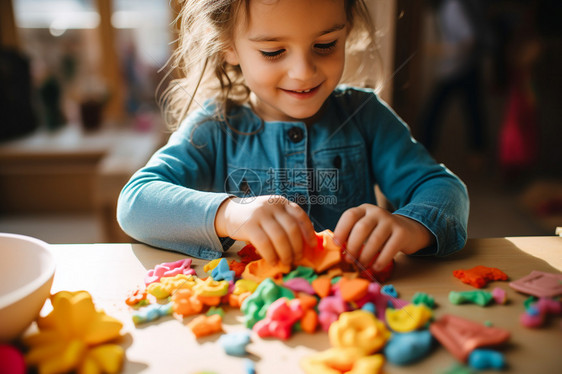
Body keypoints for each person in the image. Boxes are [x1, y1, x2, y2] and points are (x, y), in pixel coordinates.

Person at [117, 0, 469, 274]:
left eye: (326, 44)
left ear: (347, 30)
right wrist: (230, 214)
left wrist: (410, 226)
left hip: (354, 313)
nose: (303, 72)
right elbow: (135, 203)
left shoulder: (366, 117)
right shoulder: (214, 125)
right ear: (229, 46)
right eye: (273, 51)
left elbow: (445, 189)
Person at [418, 0, 488, 159]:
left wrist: (443, 50)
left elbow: (470, 40)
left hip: (459, 69)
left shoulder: (453, 5)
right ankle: (478, 155)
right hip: (460, 68)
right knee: (473, 112)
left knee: (434, 112)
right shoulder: (450, 6)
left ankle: (423, 154)